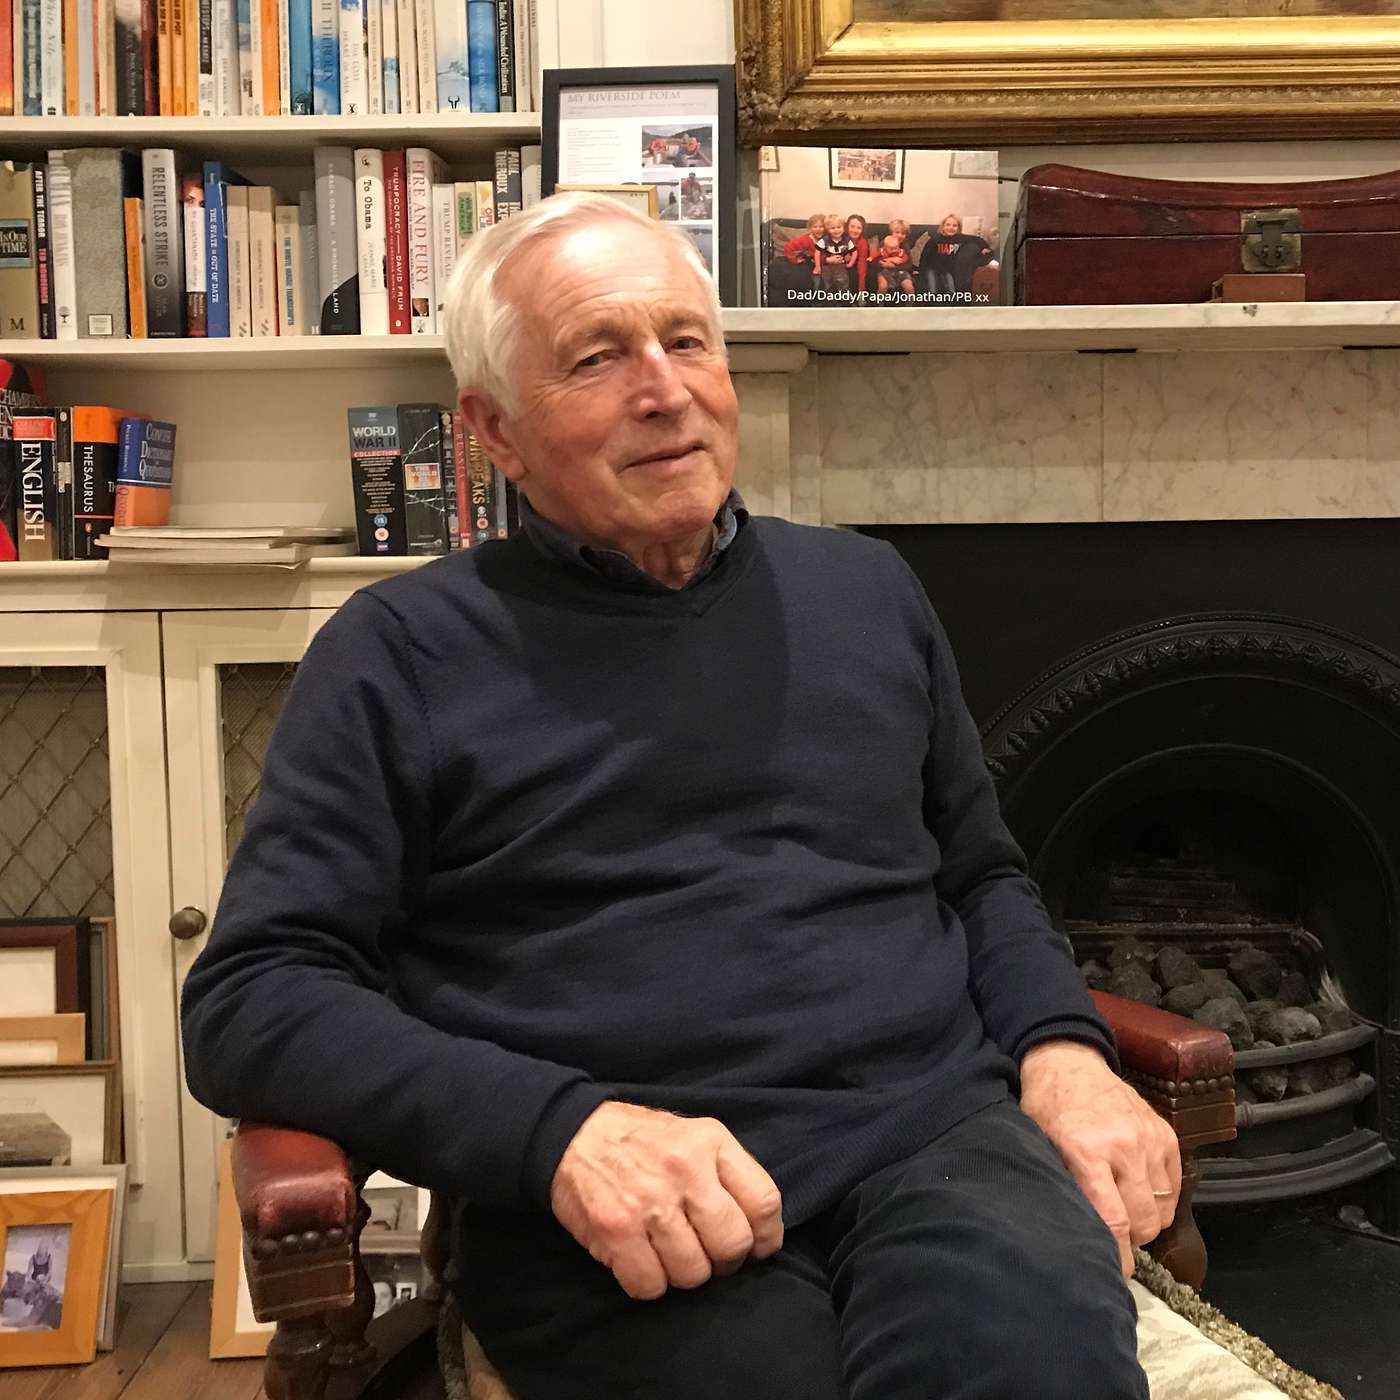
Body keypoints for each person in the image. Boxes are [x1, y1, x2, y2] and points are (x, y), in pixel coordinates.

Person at [181, 192, 1177, 1400]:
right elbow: (252, 997)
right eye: (595, 357)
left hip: (937, 1142)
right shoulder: (399, 654)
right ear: (493, 430)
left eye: (685, 339)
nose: (663, 388)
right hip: (615, 1191)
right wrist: (558, 1133)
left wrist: (1062, 1053)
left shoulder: (866, 591)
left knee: (1036, 1369)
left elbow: (977, 875)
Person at [924, 212, 997, 299]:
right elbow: (925, 254)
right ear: (943, 227)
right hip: (933, 268)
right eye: (948, 225)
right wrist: (920, 269)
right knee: (932, 290)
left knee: (952, 291)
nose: (951, 227)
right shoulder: (935, 239)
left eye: (954, 225)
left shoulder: (960, 238)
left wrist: (985, 247)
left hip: (947, 270)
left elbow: (978, 239)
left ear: (958, 228)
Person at [814, 212, 856, 297]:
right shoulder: (825, 240)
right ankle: (829, 296)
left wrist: (851, 263)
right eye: (832, 228)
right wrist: (817, 266)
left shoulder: (846, 240)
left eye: (839, 227)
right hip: (827, 267)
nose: (836, 230)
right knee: (827, 282)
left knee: (843, 282)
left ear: (843, 227)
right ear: (828, 229)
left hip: (841, 267)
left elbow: (855, 251)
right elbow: (817, 252)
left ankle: (844, 296)